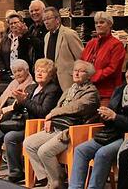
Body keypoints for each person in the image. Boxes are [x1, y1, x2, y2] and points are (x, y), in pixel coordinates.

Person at [68, 58, 128, 189]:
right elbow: (111, 115)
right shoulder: (120, 90)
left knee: (102, 153)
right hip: (110, 133)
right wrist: (105, 116)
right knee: (80, 150)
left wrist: (115, 117)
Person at [23, 60, 99, 188]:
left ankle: (56, 181)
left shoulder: (91, 92)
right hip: (57, 125)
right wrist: (50, 119)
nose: (77, 73)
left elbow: (75, 107)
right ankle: (48, 178)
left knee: (44, 151)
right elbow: (58, 106)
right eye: (75, 70)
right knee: (28, 143)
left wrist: (52, 114)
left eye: (81, 71)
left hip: (72, 131)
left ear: (89, 75)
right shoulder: (70, 89)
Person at [0, 58, 61, 183]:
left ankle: (16, 172)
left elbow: (43, 112)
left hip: (36, 125)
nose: (39, 74)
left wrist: (25, 101)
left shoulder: (53, 90)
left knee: (10, 137)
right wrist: (18, 100)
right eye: (38, 71)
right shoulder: (31, 87)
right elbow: (18, 108)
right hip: (22, 121)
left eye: (43, 71)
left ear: (50, 75)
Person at [81, 12, 126, 104]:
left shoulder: (117, 45)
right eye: (96, 23)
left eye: (102, 22)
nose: (98, 25)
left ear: (110, 24)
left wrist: (93, 76)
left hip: (107, 92)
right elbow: (82, 63)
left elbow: (112, 69)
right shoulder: (90, 43)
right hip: (87, 90)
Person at [42, 7, 84, 90]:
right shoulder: (46, 36)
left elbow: (81, 58)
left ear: (57, 19)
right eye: (44, 20)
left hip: (68, 81)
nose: (46, 22)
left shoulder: (69, 34)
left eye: (48, 19)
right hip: (51, 81)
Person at [0, 13, 41, 81]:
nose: (13, 25)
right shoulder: (5, 39)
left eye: (16, 23)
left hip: (25, 75)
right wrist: (4, 72)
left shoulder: (27, 37)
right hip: (8, 75)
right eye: (11, 24)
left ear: (22, 23)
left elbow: (37, 47)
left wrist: (25, 34)